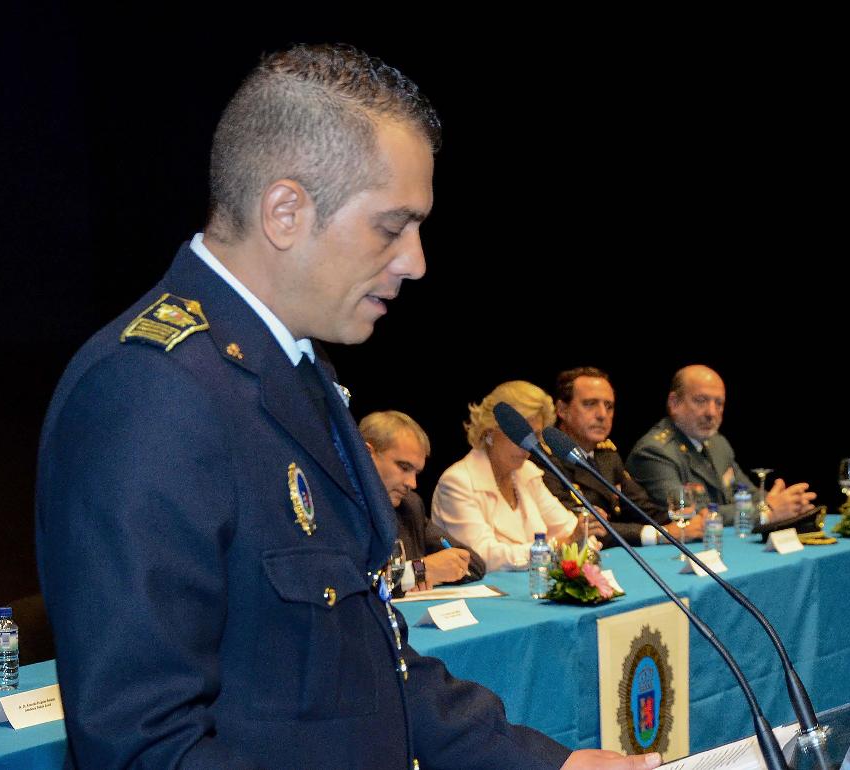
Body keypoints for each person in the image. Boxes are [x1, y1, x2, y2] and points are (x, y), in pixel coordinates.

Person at [34, 43, 656, 770]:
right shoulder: (150, 394)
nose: (416, 261)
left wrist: (545, 765)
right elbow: (147, 747)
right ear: (286, 210)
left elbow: (371, 658)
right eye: (393, 226)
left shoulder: (294, 371)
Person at [432, 380, 606, 572]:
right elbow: (483, 557)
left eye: (535, 436)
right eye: (519, 435)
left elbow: (576, 533)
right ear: (489, 431)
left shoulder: (527, 473)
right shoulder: (458, 482)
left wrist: (581, 532)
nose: (528, 445)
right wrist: (560, 546)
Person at [626, 364, 816, 525]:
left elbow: (746, 492)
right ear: (674, 403)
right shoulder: (654, 452)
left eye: (719, 403)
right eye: (701, 401)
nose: (711, 412)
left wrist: (785, 502)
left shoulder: (718, 443)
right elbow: (692, 515)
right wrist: (766, 510)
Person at [537, 367, 703, 547]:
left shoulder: (606, 455)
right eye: (590, 404)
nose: (602, 415)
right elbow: (583, 527)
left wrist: (691, 521)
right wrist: (661, 534)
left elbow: (641, 508)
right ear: (562, 409)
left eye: (608, 406)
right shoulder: (545, 460)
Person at [360, 409, 486, 589]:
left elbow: (473, 563)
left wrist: (431, 573)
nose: (412, 483)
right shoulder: (335, 508)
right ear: (366, 454)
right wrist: (419, 571)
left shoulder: (410, 506)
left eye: (416, 472)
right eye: (404, 467)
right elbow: (348, 585)